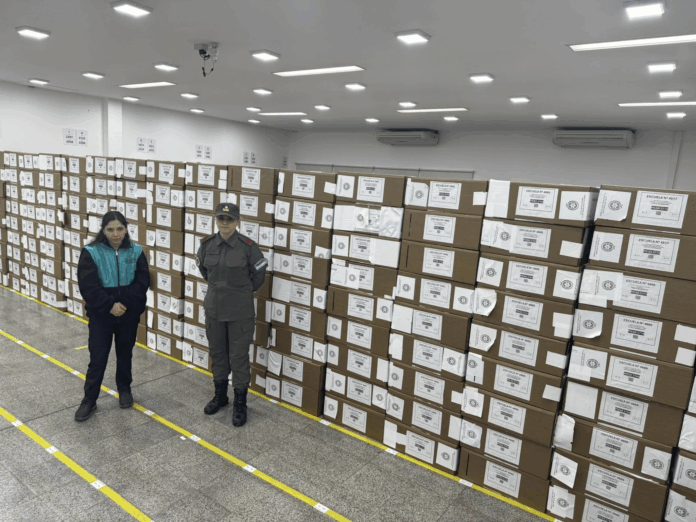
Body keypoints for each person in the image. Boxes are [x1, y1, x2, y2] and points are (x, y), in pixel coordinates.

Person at [74, 211, 150, 422]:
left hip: (128, 315)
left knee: (125, 355)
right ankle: (89, 400)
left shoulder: (136, 251)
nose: (115, 234)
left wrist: (123, 304)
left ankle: (124, 390)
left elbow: (142, 282)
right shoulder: (91, 252)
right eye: (110, 229)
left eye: (119, 229)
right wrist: (109, 305)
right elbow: (88, 286)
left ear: (126, 229)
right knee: (98, 359)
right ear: (103, 230)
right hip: (101, 317)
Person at [196, 202, 267, 426]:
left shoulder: (248, 247)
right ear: (216, 220)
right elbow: (204, 271)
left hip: (240, 312)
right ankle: (220, 396)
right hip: (214, 311)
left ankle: (240, 402)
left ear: (237, 221)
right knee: (217, 354)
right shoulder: (206, 245)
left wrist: (240, 292)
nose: (224, 223)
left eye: (229, 219)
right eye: (221, 219)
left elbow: (259, 275)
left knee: (238, 357)